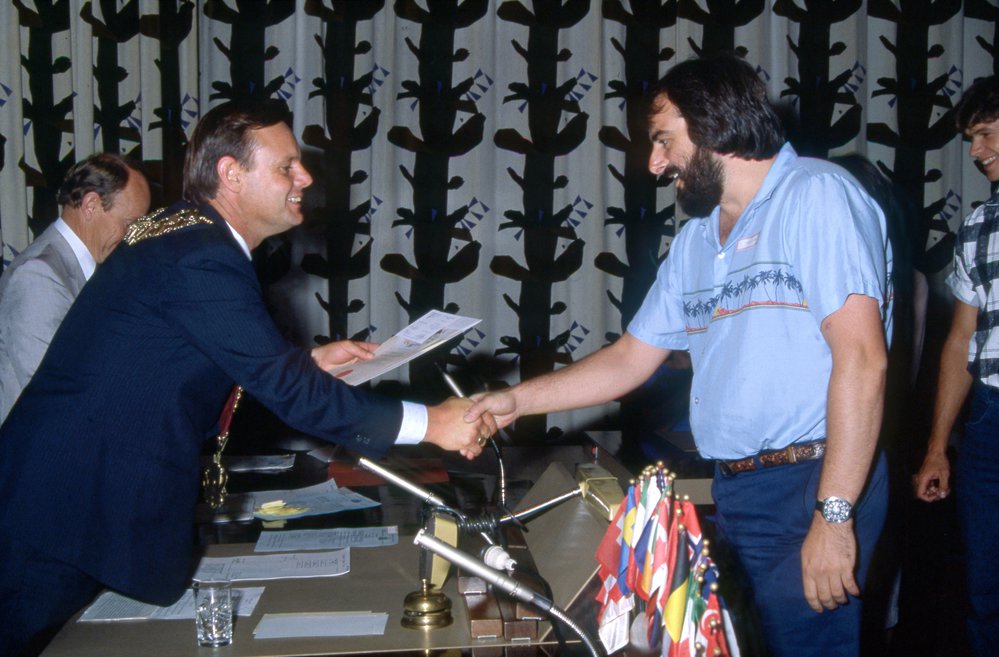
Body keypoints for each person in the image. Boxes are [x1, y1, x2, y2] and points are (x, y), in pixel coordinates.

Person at [0, 100, 494, 657]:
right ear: (231, 174)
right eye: (286, 166)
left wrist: (303, 364)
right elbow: (289, 395)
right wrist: (433, 422)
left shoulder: (185, 232)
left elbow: (182, 358)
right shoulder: (201, 255)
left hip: (68, 499)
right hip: (62, 508)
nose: (304, 177)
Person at [467, 54, 893, 657]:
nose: (654, 163)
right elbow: (628, 361)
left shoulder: (817, 197)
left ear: (715, 122)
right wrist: (512, 400)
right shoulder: (696, 240)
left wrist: (834, 513)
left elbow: (863, 362)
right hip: (739, 491)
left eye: (664, 140)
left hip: (812, 483)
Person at [913, 75, 999, 656]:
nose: (974, 152)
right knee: (985, 587)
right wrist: (938, 446)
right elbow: (959, 342)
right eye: (971, 138)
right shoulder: (977, 225)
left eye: (986, 134)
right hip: (991, 423)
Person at [0, 153, 151, 422]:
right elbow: (53, 396)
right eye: (129, 224)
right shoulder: (38, 276)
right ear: (91, 205)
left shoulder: (87, 270)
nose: (133, 238)